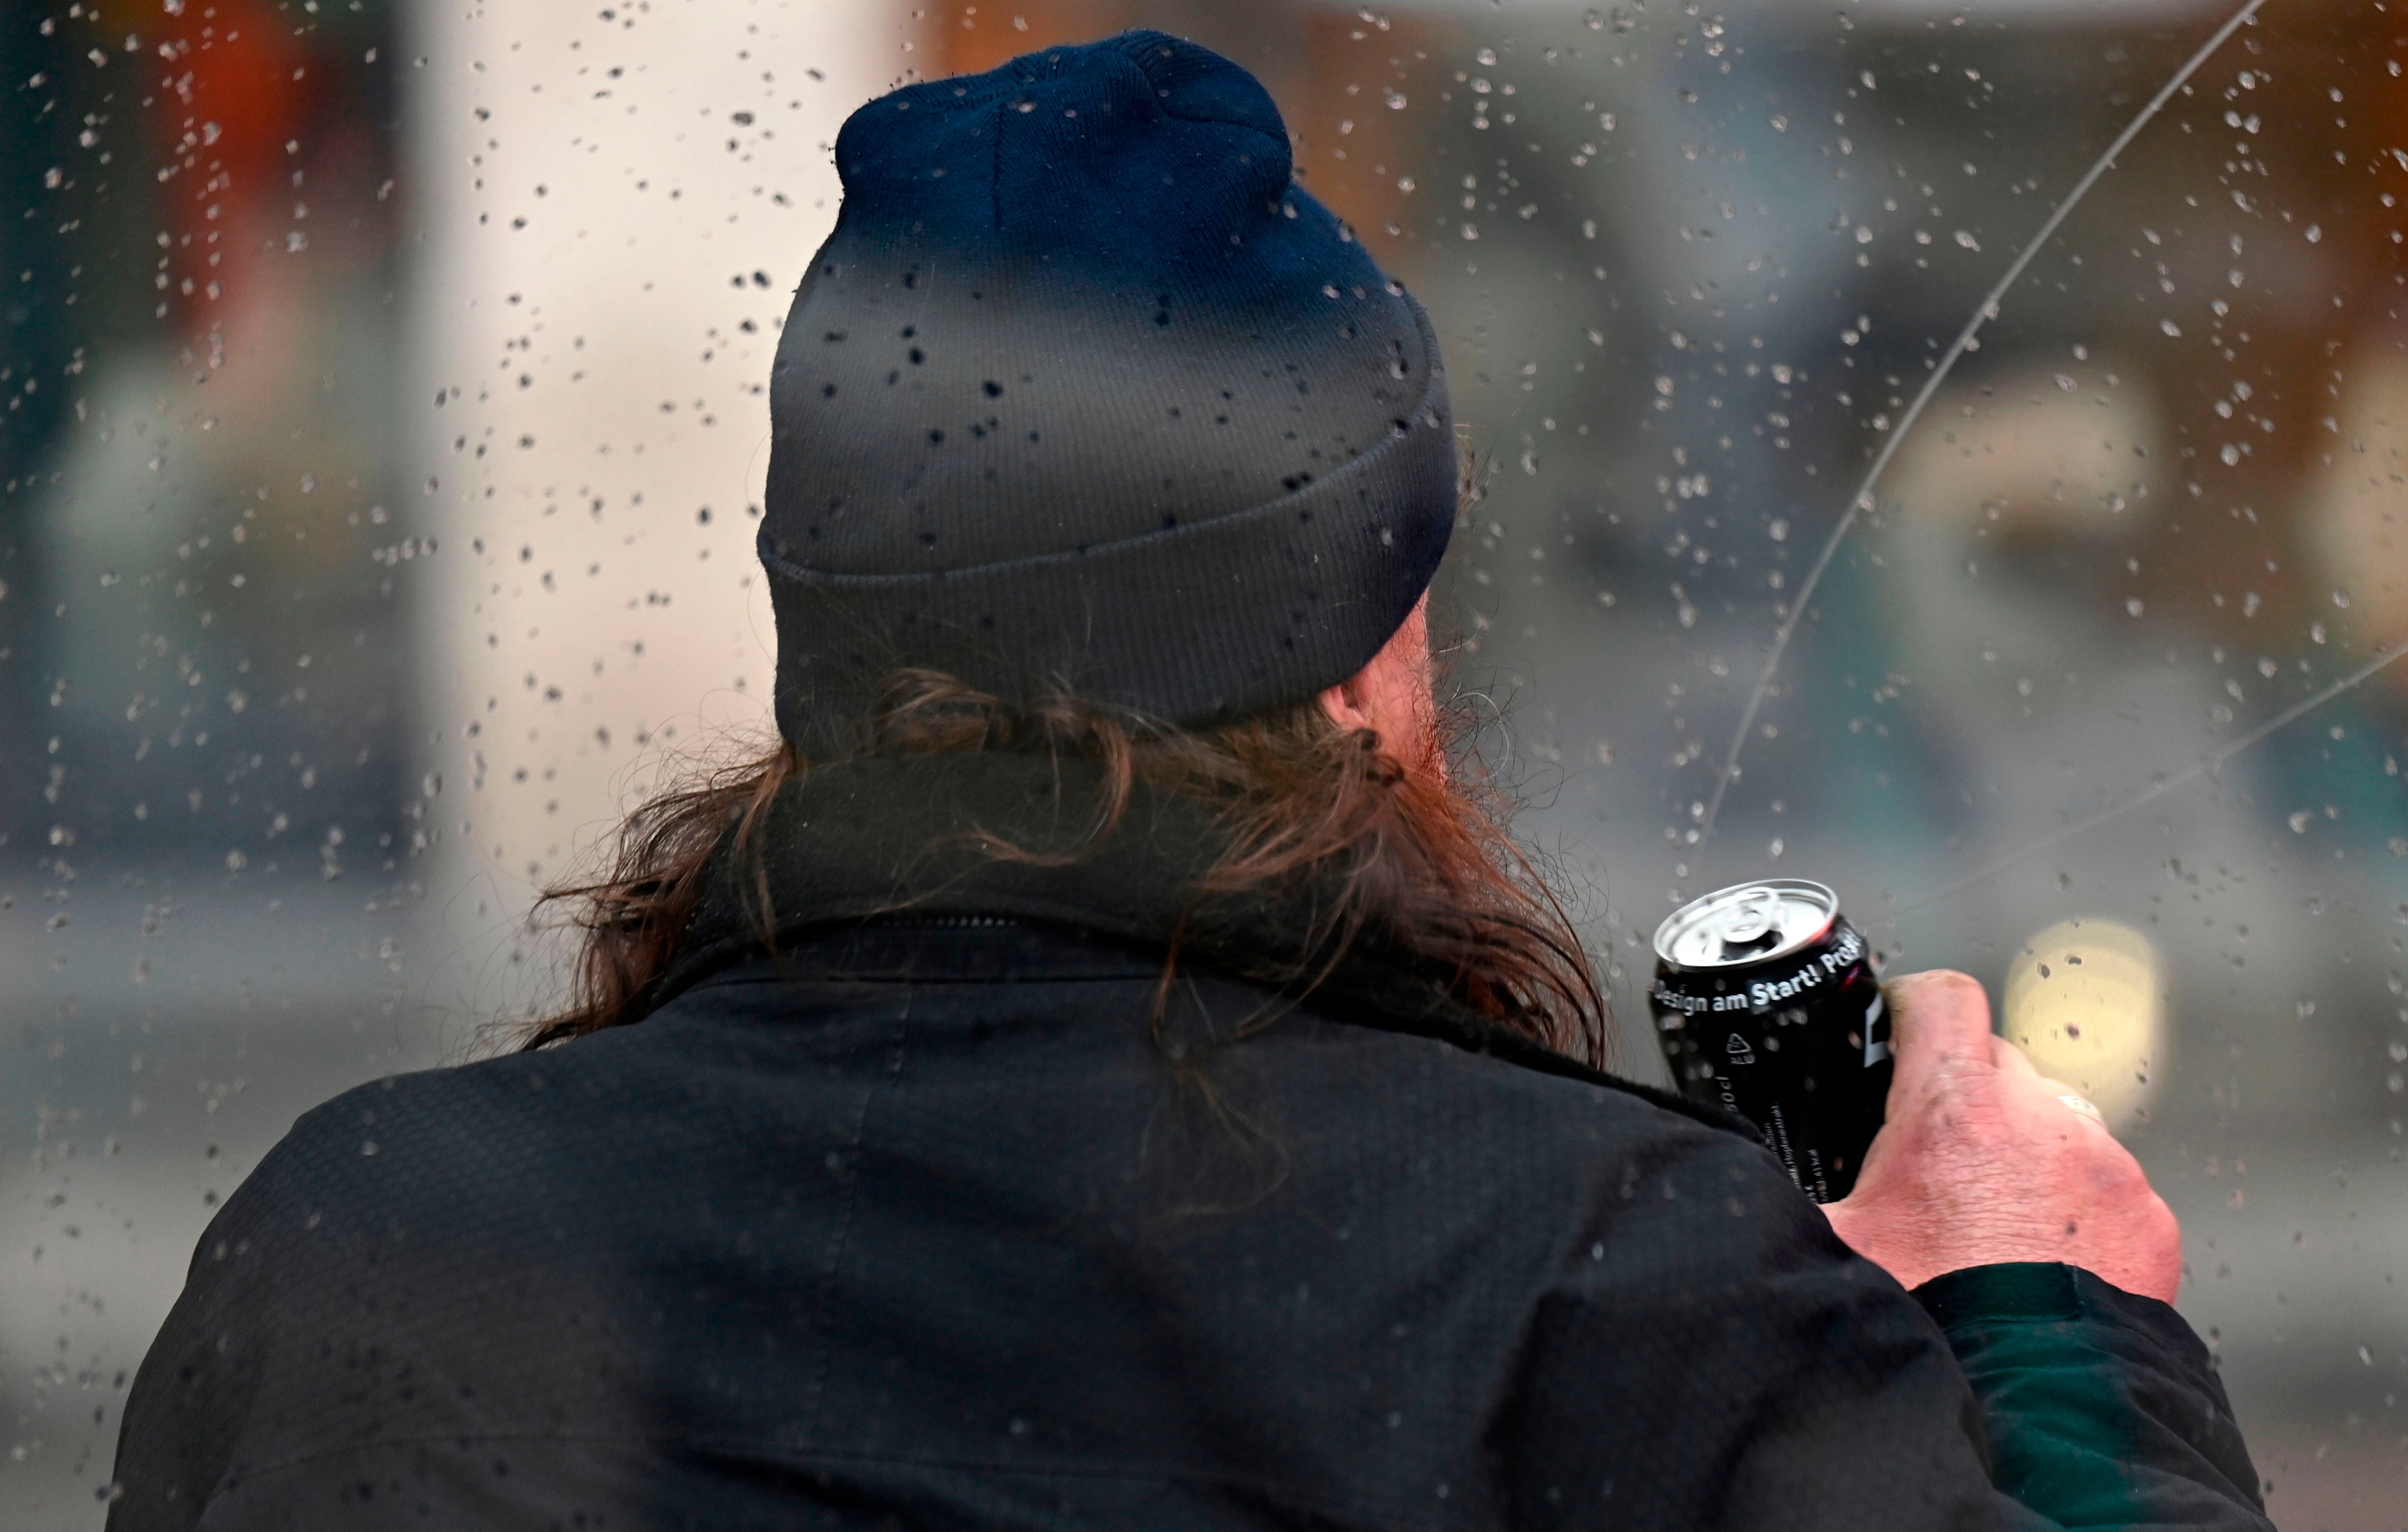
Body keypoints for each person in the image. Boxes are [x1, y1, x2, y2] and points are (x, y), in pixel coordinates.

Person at [107, 31, 2269, 1530]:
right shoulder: (1606, 1294)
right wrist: (2050, 1338)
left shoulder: (365, 1258)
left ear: (833, 648)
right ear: (1360, 660)